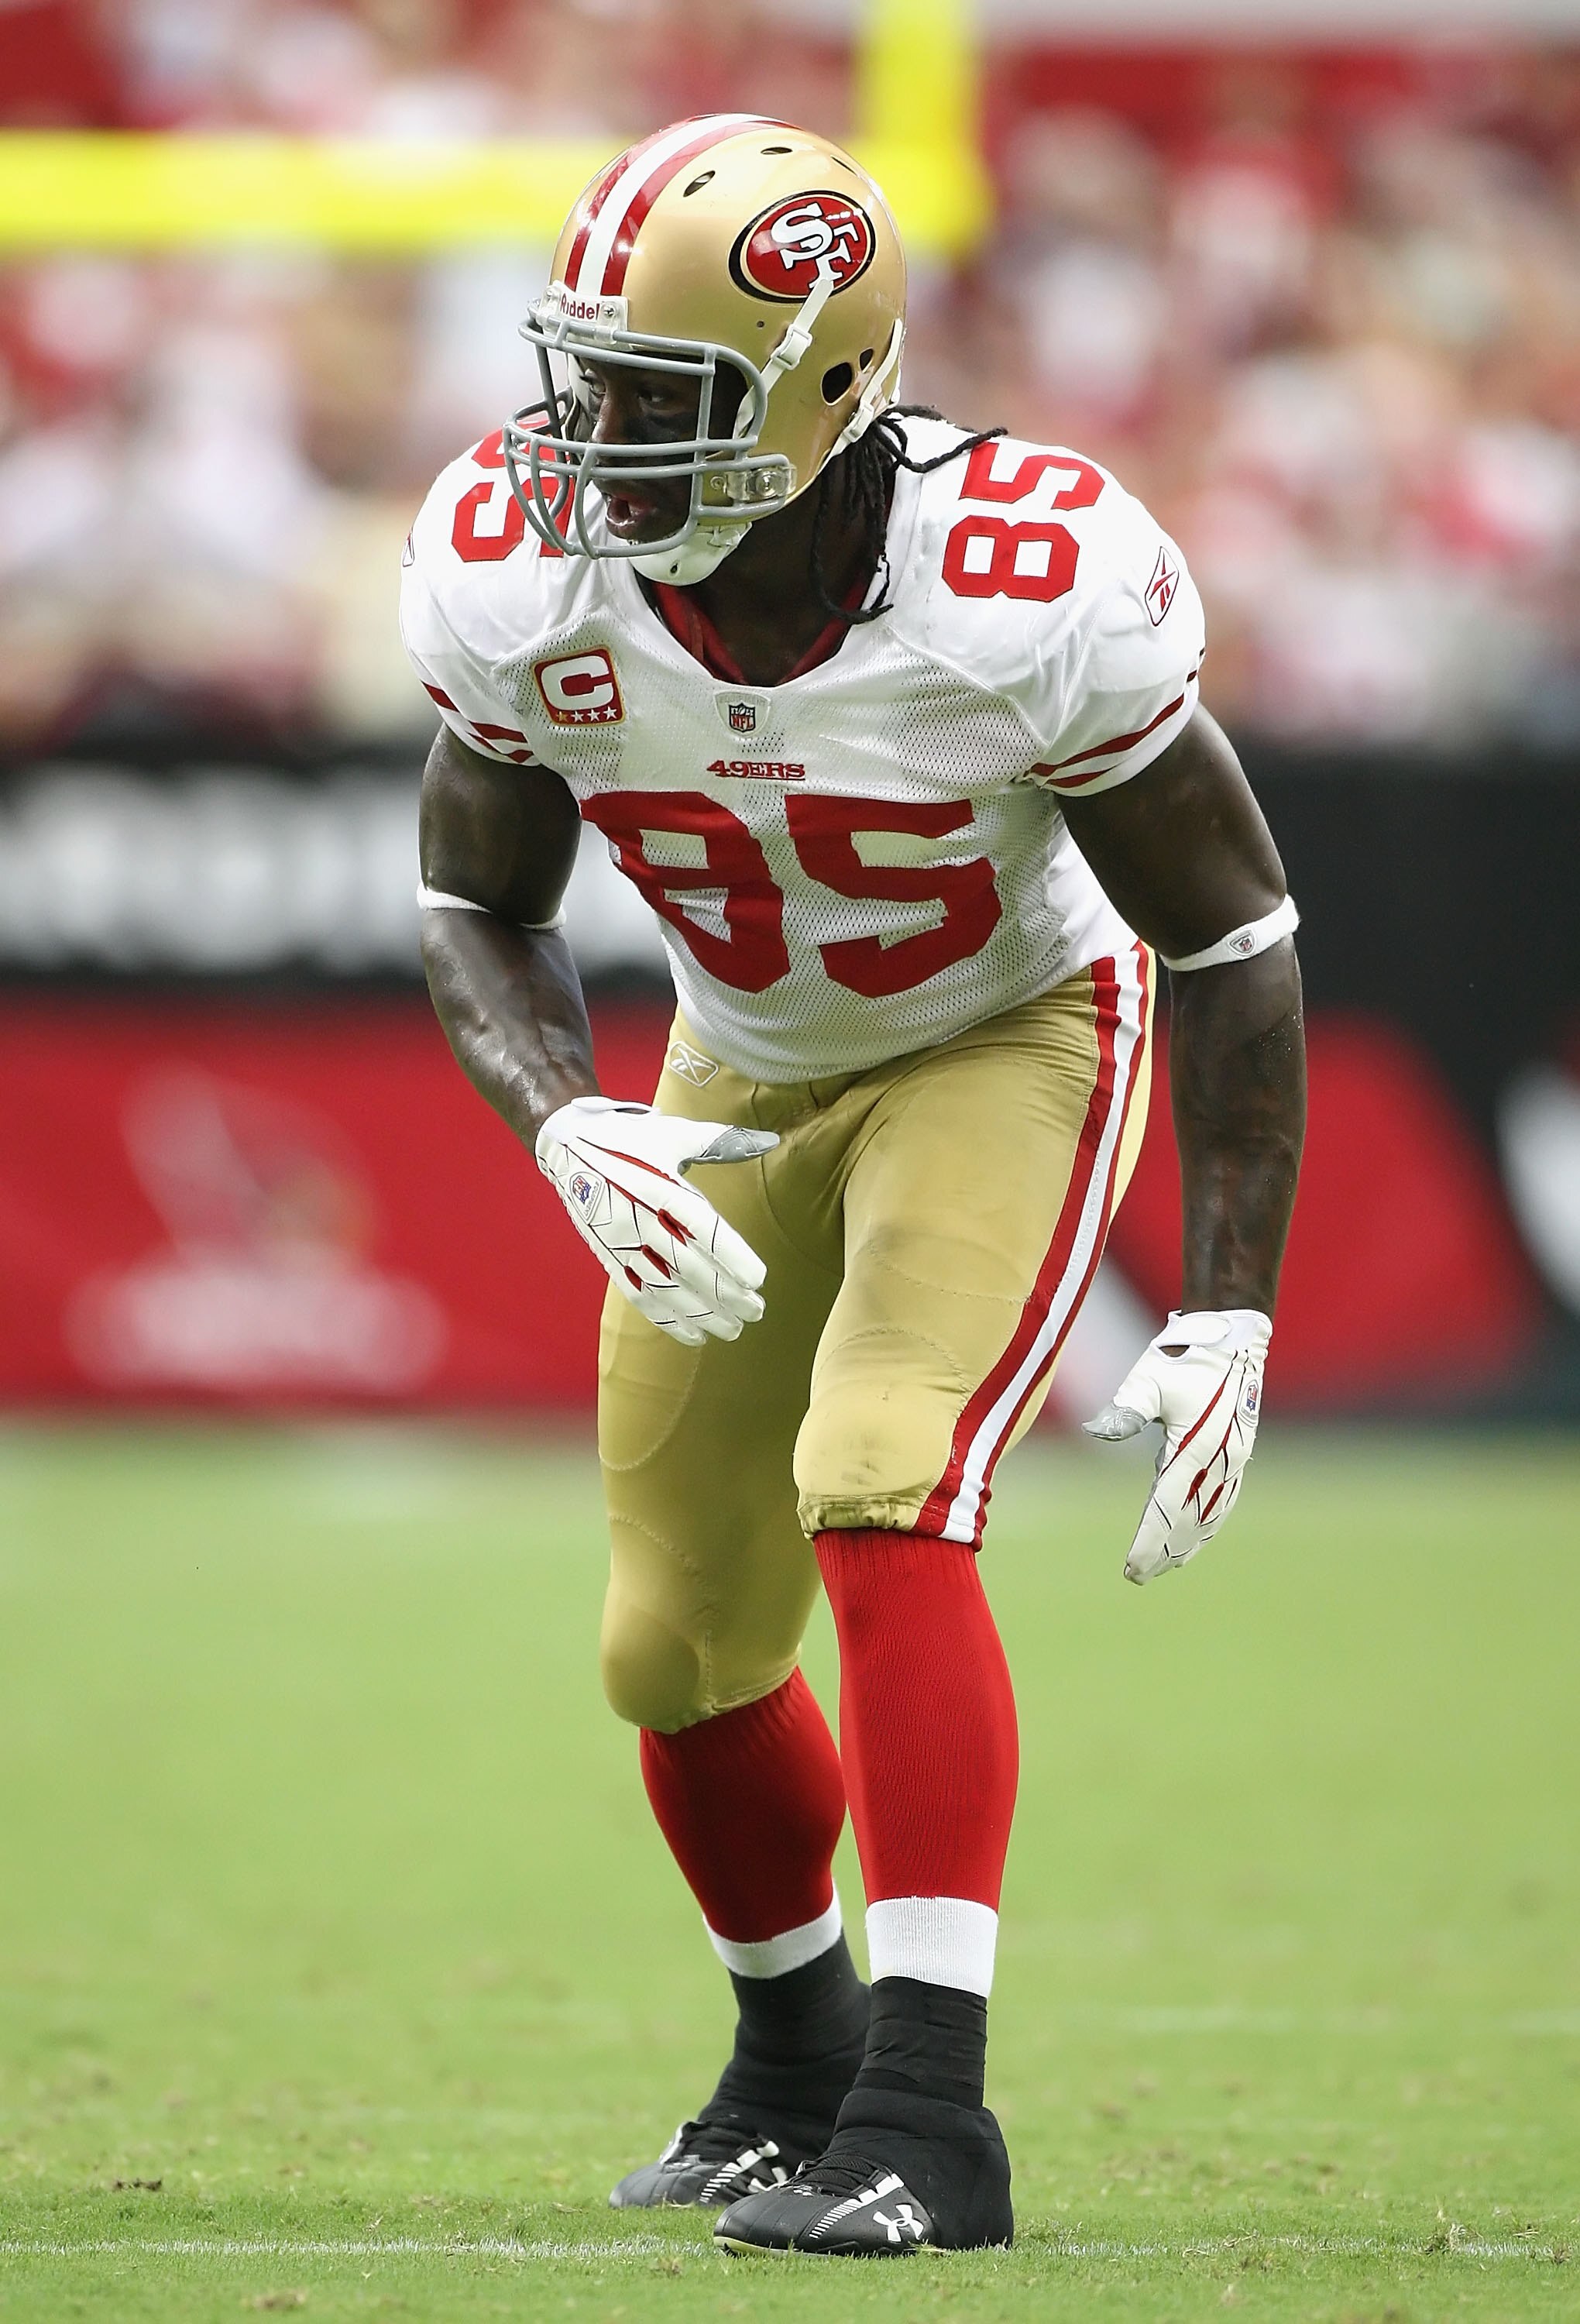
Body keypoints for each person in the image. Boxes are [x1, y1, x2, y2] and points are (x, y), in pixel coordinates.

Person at [400, 115, 1305, 2257]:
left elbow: (1234, 931)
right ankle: (792, 2059)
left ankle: (929, 2117)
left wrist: (1232, 1300)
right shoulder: (530, 571)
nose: (598, 445)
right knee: (676, 1642)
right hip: (742, 1052)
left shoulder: (1020, 584)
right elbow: (472, 899)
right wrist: (569, 1116)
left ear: (821, 394)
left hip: (1007, 1032)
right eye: (589, 382)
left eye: (662, 398)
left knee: (883, 1466)